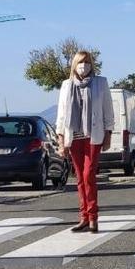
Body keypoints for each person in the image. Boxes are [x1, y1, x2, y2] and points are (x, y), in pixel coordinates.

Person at [55, 50, 114, 233]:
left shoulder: (100, 83)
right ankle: (84, 217)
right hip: (74, 138)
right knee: (80, 178)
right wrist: (60, 138)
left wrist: (108, 134)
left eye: (87, 62)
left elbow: (108, 109)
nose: (84, 65)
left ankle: (93, 217)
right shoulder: (66, 85)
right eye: (81, 62)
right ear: (75, 64)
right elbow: (62, 113)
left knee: (89, 175)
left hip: (93, 137)